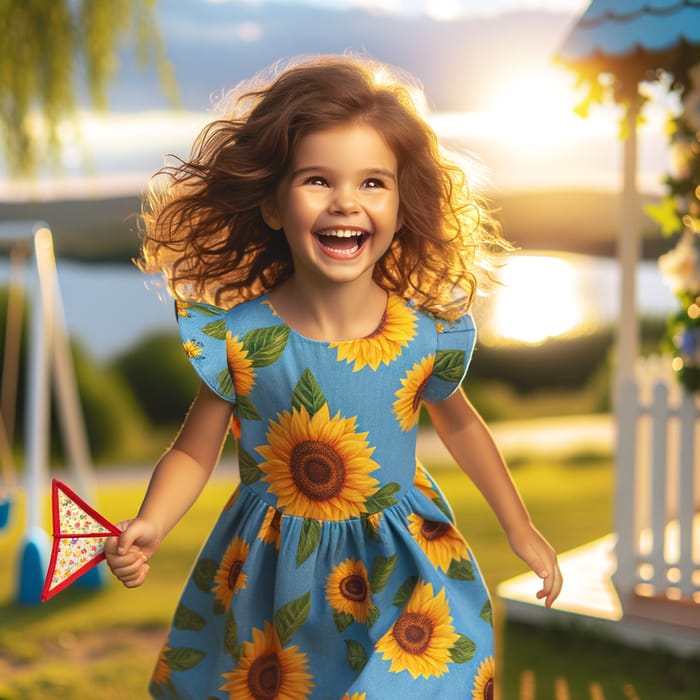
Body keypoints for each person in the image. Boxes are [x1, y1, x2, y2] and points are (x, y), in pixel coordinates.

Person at [105, 54, 562, 700]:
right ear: (271, 203)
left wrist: (520, 528)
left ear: (403, 207)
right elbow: (192, 451)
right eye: (317, 180)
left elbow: (460, 425)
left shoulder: (423, 335)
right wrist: (151, 522)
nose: (346, 201)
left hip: (402, 567)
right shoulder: (237, 339)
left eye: (373, 183)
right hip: (275, 581)